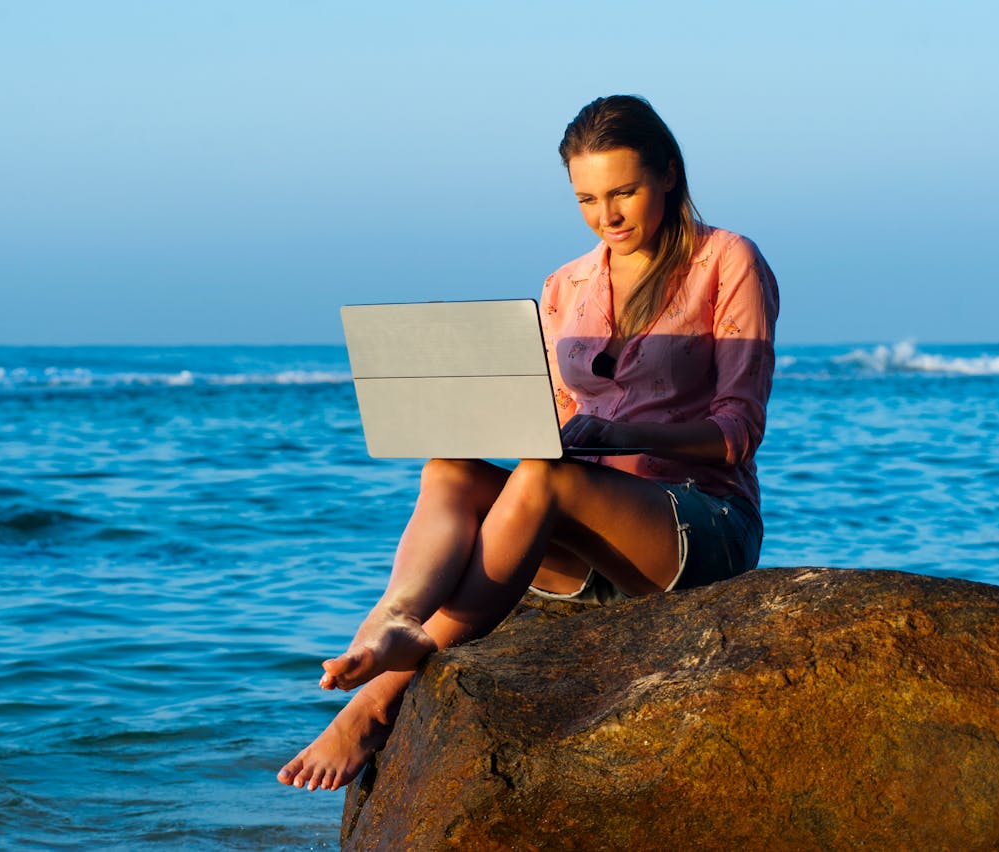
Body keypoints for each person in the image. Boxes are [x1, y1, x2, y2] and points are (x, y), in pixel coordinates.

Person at [278, 95, 779, 792]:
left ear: (669, 173)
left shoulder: (727, 261)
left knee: (544, 479)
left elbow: (738, 433)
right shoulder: (564, 284)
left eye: (625, 192)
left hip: (696, 525)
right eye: (587, 199)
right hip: (580, 539)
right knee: (450, 466)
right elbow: (555, 416)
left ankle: (377, 701)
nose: (608, 217)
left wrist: (623, 434)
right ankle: (393, 614)